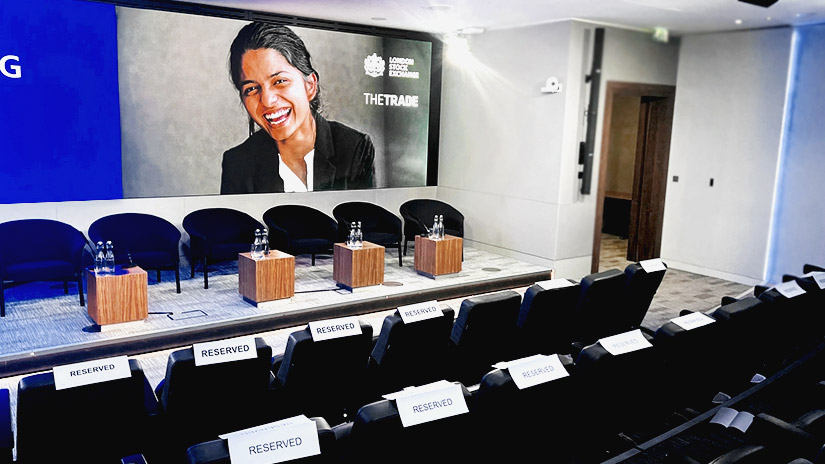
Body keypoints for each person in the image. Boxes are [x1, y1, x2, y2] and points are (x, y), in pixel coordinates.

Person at [221, 22, 375, 194]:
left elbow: (363, 217)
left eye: (279, 81)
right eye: (251, 89)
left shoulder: (353, 148)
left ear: (310, 85)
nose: (267, 101)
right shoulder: (238, 163)